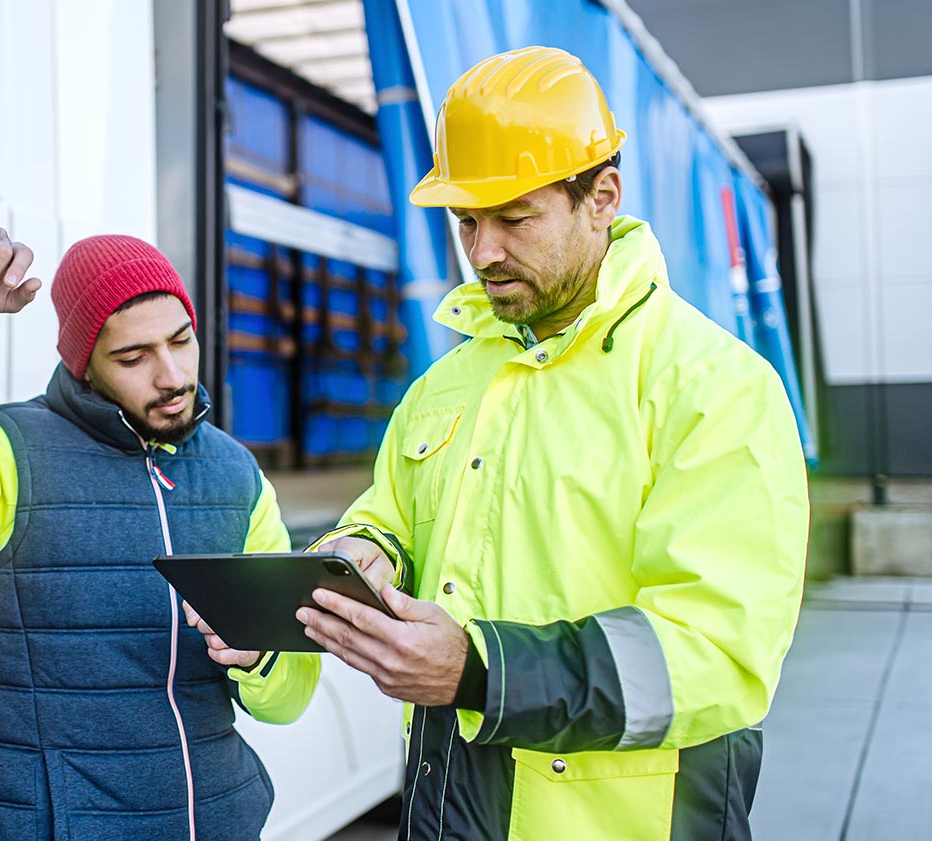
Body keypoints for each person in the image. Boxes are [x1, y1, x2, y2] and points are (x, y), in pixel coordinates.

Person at [296, 47, 809, 840]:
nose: (484, 251)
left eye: (514, 217)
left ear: (602, 197)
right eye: (466, 221)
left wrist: (479, 671)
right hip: (447, 807)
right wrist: (364, 555)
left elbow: (716, 650)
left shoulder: (713, 386)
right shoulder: (447, 382)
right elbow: (389, 515)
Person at [0, 223, 320, 841]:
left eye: (181, 341)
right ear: (84, 363)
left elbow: (287, 702)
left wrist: (260, 655)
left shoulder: (237, 473)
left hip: (221, 820)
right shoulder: (1, 453)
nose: (172, 376)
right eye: (133, 358)